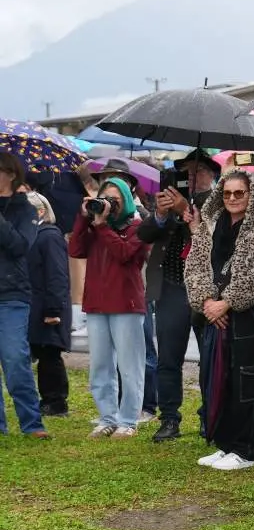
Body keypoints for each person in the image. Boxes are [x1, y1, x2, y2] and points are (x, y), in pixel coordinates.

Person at [184, 171, 254, 469]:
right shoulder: (209, 225)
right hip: (212, 314)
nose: (232, 199)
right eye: (227, 193)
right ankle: (224, 443)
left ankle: (246, 449)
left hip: (248, 316)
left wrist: (228, 303)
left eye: (239, 193)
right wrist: (207, 301)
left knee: (244, 379)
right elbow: (194, 265)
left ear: (252, 196)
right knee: (215, 376)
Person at [138, 148, 219, 442]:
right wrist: (161, 214)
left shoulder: (219, 201)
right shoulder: (167, 202)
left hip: (204, 289)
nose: (192, 177)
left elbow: (210, 238)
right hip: (172, 286)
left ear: (211, 175)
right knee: (168, 358)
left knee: (209, 358)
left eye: (198, 172)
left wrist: (188, 211)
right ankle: (169, 417)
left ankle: (208, 416)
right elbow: (144, 235)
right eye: (186, 172)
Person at [70, 174, 151, 437]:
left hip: (126, 304)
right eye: (105, 199)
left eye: (115, 200)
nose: (109, 205)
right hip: (96, 304)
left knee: (130, 366)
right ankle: (107, 417)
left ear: (126, 200)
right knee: (100, 365)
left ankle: (128, 420)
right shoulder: (95, 227)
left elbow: (125, 254)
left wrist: (102, 226)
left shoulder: (138, 226)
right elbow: (75, 250)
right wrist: (84, 219)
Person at [0, 154, 49, 439]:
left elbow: (19, 246)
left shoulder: (26, 209)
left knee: (15, 358)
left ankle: (32, 423)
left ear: (9, 173)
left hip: (12, 295)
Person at [23, 191, 69, 420]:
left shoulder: (49, 235)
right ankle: (49, 400)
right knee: (42, 351)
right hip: (35, 303)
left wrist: (53, 309)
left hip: (47, 305)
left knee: (49, 354)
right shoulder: (32, 234)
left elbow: (57, 274)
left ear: (41, 211)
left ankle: (56, 402)